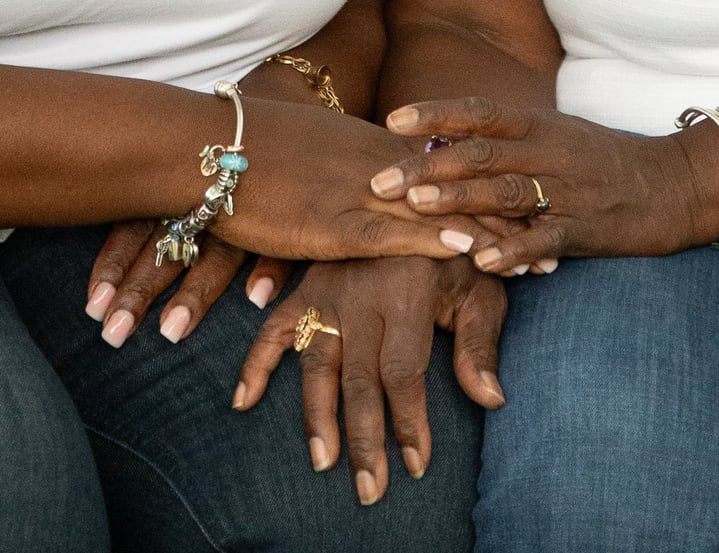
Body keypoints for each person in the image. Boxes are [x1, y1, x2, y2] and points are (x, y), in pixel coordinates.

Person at [0, 1, 495, 551]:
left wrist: (302, 98)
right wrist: (231, 150)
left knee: (364, 516)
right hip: (102, 141)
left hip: (279, 136)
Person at [359, 1, 719, 551]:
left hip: (653, 183)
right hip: (615, 184)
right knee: (593, 504)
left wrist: (695, 175)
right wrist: (459, 206)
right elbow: (469, 23)